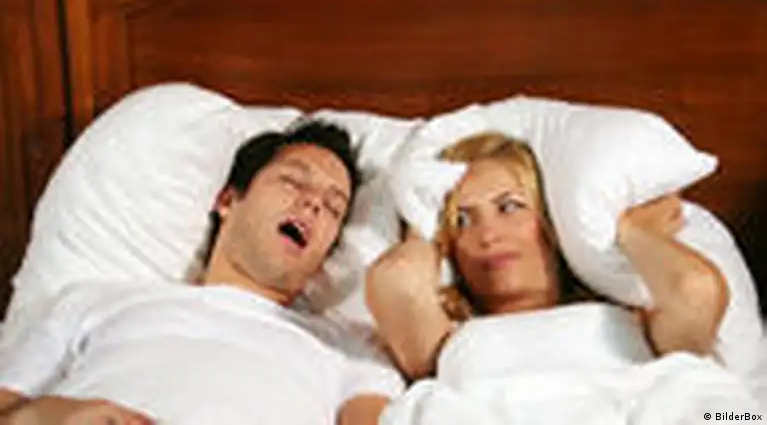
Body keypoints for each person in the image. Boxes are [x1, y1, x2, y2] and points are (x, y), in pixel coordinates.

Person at [0, 120, 402, 424]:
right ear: (228, 200)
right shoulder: (93, 303)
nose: (313, 204)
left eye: (333, 208)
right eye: (293, 182)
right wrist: (42, 416)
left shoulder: (349, 351)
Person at [366, 131, 730, 380]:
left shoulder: (632, 320)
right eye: (461, 220)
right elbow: (397, 282)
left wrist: (624, 227)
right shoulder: (443, 340)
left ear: (551, 221)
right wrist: (421, 222)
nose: (488, 235)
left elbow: (696, 290)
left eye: (509, 207)